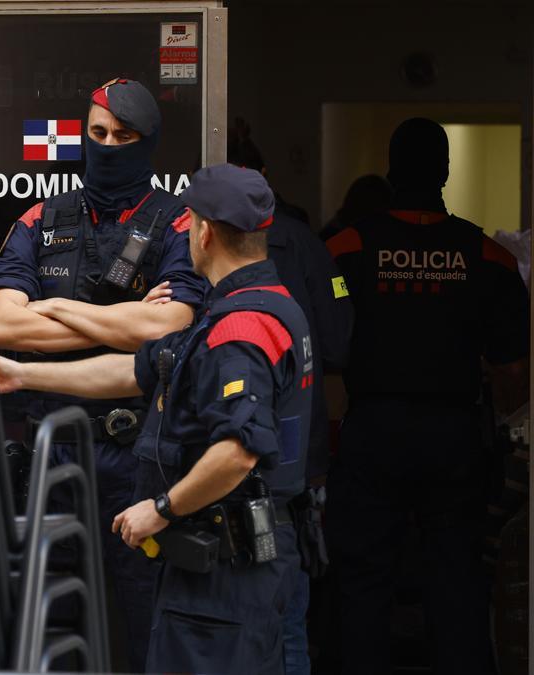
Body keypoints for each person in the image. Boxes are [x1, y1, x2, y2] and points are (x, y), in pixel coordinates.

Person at [0, 164, 313, 673]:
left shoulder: (240, 328)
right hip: (234, 559)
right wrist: (23, 377)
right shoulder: (253, 309)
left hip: (229, 568)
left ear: (203, 232)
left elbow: (237, 451)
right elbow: (135, 372)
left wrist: (160, 508)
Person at [0, 77, 206, 671]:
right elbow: (1, 328)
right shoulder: (39, 217)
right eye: (97, 133)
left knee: (142, 622)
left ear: (148, 141)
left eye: (123, 136)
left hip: (140, 457)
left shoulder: (180, 224)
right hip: (55, 453)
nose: (107, 145)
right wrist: (118, 319)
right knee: (52, 619)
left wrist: (50, 307)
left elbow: (172, 327)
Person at [323, 118, 530, 674]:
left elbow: (329, 323)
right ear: (444, 170)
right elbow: (512, 364)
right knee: (457, 580)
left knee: (364, 584)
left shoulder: (346, 249)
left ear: (390, 169)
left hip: (373, 432)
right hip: (453, 438)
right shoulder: (488, 258)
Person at [230, 125, 355, 675]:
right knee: (287, 621)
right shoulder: (305, 245)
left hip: (218, 466)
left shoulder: (199, 248)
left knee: (232, 625)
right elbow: (341, 340)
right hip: (293, 466)